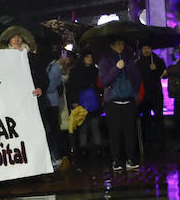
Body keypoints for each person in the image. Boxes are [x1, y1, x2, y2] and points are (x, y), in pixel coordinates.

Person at [0, 26, 55, 162]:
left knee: (41, 130)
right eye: (14, 37)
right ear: (8, 40)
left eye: (19, 37)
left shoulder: (32, 57)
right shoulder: (1, 59)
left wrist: (40, 88)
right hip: (14, 104)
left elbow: (43, 77)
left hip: (34, 101)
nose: (17, 39)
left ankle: (47, 160)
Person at [98, 38, 141, 171]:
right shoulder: (105, 60)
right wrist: (116, 68)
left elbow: (137, 79)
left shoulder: (129, 58)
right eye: (117, 44)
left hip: (129, 100)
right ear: (111, 45)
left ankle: (130, 159)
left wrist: (128, 68)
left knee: (130, 131)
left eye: (122, 44)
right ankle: (116, 160)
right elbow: (104, 81)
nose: (120, 47)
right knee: (115, 133)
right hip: (112, 102)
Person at [66, 50, 105, 160]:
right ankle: (85, 148)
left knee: (94, 124)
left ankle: (95, 148)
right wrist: (74, 101)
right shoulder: (78, 71)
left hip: (92, 101)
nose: (90, 59)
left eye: (91, 57)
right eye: (87, 57)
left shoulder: (95, 70)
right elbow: (72, 87)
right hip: (82, 101)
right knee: (84, 126)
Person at [137, 43, 168, 155]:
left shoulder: (158, 60)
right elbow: (139, 77)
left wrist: (157, 70)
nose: (146, 50)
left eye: (148, 48)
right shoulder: (139, 63)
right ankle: (149, 143)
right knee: (146, 119)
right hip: (145, 95)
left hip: (156, 94)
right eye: (144, 48)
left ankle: (160, 143)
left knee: (159, 119)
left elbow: (164, 74)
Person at [45, 50, 72, 171]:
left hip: (51, 101)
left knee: (55, 129)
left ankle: (60, 155)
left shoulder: (54, 67)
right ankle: (61, 154)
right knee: (56, 129)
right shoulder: (54, 67)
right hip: (52, 101)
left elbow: (50, 86)